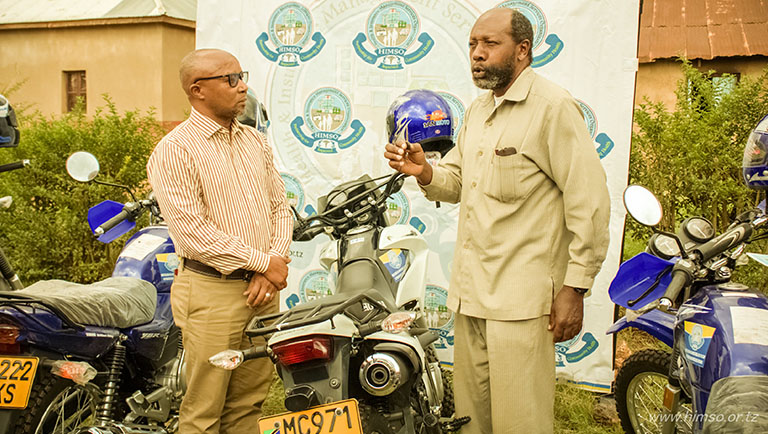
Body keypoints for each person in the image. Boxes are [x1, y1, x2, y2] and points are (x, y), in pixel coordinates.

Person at [384, 7, 610, 434]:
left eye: (490, 43)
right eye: (472, 44)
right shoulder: (479, 111)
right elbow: (457, 180)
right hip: (471, 296)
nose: (477, 54)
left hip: (522, 303)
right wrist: (424, 172)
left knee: (520, 421)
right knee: (472, 418)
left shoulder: (552, 108)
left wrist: (575, 287)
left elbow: (590, 202)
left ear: (522, 50)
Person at [147, 48, 293, 433]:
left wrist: (271, 264)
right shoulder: (175, 150)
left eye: (241, 75)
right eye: (230, 79)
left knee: (248, 404)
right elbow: (193, 233)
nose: (243, 86)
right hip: (213, 292)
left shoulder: (255, 142)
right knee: (204, 409)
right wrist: (264, 263)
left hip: (263, 293)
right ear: (198, 90)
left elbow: (280, 207)